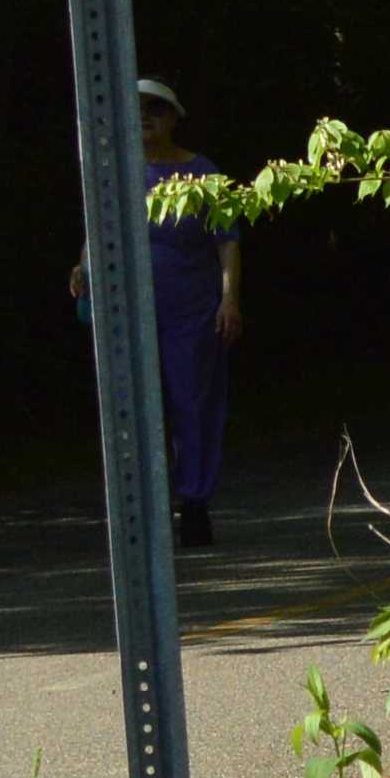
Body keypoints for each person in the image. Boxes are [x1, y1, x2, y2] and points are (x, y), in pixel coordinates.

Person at [143, 77, 242, 552]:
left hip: (193, 312)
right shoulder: (115, 172)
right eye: (137, 110)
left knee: (194, 406)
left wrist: (229, 298)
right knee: (139, 413)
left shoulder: (203, 173)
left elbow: (227, 241)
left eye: (156, 111)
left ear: (174, 118)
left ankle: (194, 504)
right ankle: (144, 509)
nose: (146, 119)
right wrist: (82, 265)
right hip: (135, 315)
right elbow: (96, 233)